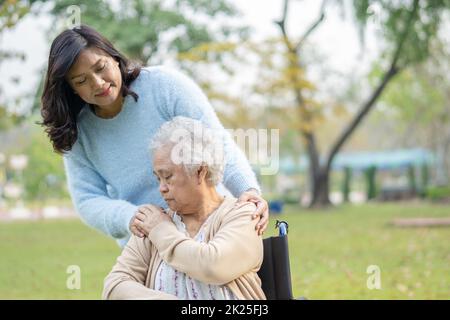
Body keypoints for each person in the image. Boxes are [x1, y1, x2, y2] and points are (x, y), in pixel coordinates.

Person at [40, 24, 269, 247]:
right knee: (119, 287)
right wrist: (132, 217)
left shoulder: (165, 86)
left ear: (115, 58)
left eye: (101, 68)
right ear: (71, 88)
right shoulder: (78, 132)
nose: (98, 83)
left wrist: (247, 190)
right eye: (81, 81)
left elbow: (218, 144)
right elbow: (87, 200)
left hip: (211, 227)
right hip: (148, 243)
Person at [103, 117, 265, 300]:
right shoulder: (152, 222)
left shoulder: (244, 215)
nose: (161, 188)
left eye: (168, 176)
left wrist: (161, 231)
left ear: (199, 171)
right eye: (158, 178)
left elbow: (213, 266)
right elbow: (115, 286)